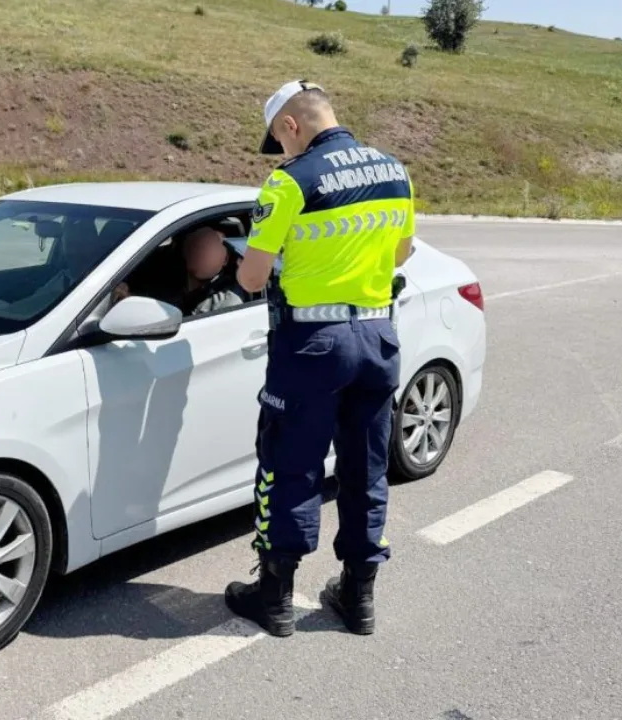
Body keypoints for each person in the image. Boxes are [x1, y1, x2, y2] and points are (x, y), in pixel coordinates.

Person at [224, 79, 416, 637]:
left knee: (290, 464)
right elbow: (401, 252)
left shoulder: (289, 181)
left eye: (279, 140)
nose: (280, 152)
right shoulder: (394, 171)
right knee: (367, 469)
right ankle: (358, 597)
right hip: (377, 338)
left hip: (311, 344)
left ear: (291, 125)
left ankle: (275, 597)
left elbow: (252, 277)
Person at [112, 225, 249, 316]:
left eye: (212, 250)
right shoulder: (163, 277)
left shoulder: (228, 300)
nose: (204, 254)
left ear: (225, 259)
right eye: (200, 248)